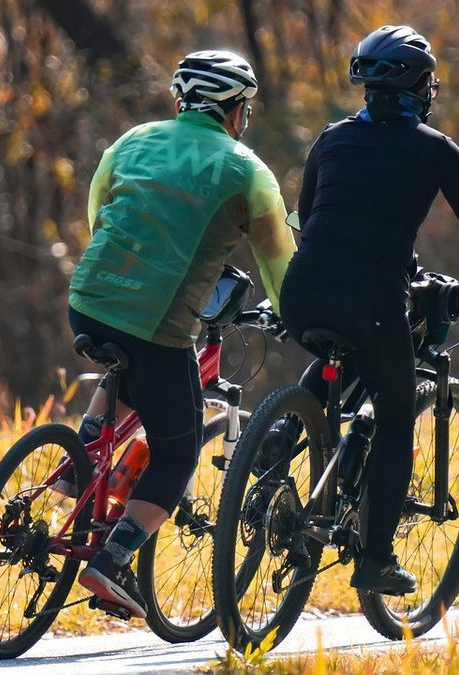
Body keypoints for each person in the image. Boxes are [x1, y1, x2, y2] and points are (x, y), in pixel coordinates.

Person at [278, 25, 459, 595]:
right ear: (422, 86)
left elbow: (311, 216)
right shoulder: (433, 148)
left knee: (337, 358)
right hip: (371, 301)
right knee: (396, 416)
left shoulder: (330, 139)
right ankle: (375, 559)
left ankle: (276, 449)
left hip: (301, 291)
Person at [67, 50, 296, 618]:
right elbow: (277, 259)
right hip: (158, 322)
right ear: (236, 110)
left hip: (87, 300)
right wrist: (294, 311)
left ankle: (73, 471)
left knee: (129, 373)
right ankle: (111, 562)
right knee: (179, 449)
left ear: (181, 100)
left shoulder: (133, 140)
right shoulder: (247, 170)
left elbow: (100, 212)